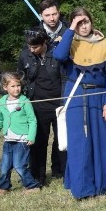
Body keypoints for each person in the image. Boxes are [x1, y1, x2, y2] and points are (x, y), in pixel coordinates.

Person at [52, 8, 106, 199]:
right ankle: (84, 187)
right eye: (79, 22)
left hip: (101, 96)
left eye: (86, 22)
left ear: (92, 22)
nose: (84, 26)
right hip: (76, 97)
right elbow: (58, 56)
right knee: (80, 143)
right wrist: (70, 30)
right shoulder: (69, 43)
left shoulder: (105, 44)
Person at [18, 29, 66, 186]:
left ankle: (62, 171)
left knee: (62, 140)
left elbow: (65, 77)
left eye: (35, 47)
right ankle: (37, 176)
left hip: (58, 103)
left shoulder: (57, 53)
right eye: (29, 47)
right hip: (37, 104)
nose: (32, 50)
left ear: (44, 43)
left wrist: (64, 101)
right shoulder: (25, 55)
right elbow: (21, 78)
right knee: (39, 141)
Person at [0, 72, 41, 195]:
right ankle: (4, 187)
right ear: (5, 87)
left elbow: (32, 120)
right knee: (4, 167)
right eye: (13, 86)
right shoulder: (1, 102)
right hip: (8, 141)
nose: (16, 88)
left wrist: (31, 136)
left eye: (18, 85)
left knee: (19, 166)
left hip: (22, 141)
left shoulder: (24, 101)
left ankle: (32, 186)